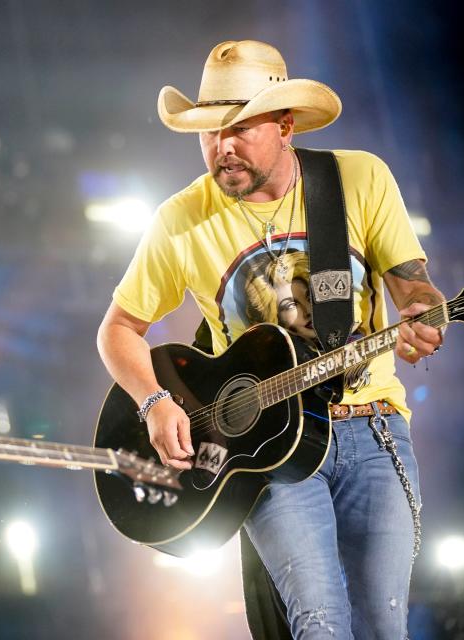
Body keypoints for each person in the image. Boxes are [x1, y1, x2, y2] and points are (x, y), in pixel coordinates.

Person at [96, 40, 444, 638]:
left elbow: (418, 293)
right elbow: (118, 330)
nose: (221, 147)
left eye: (240, 128)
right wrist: (154, 402)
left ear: (286, 125)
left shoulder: (357, 178)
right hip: (272, 451)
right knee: (319, 621)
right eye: (209, 131)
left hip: (373, 427)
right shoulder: (181, 218)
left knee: (384, 628)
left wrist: (425, 319)